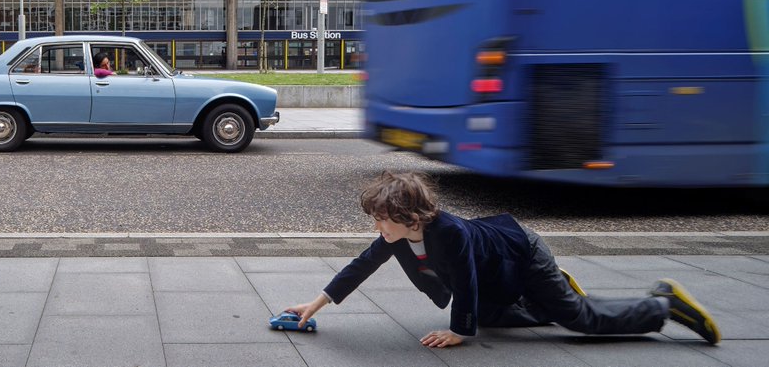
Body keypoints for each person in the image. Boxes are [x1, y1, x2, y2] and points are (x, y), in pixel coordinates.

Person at [286, 170, 721, 348]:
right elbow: (360, 267)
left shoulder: (449, 232)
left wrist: (459, 331)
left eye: (381, 218)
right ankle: (550, 296)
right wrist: (314, 304)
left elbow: (468, 281)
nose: (376, 226)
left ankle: (663, 304)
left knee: (577, 320)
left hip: (523, 254)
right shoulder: (396, 237)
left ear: (407, 216)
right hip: (500, 270)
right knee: (495, 317)